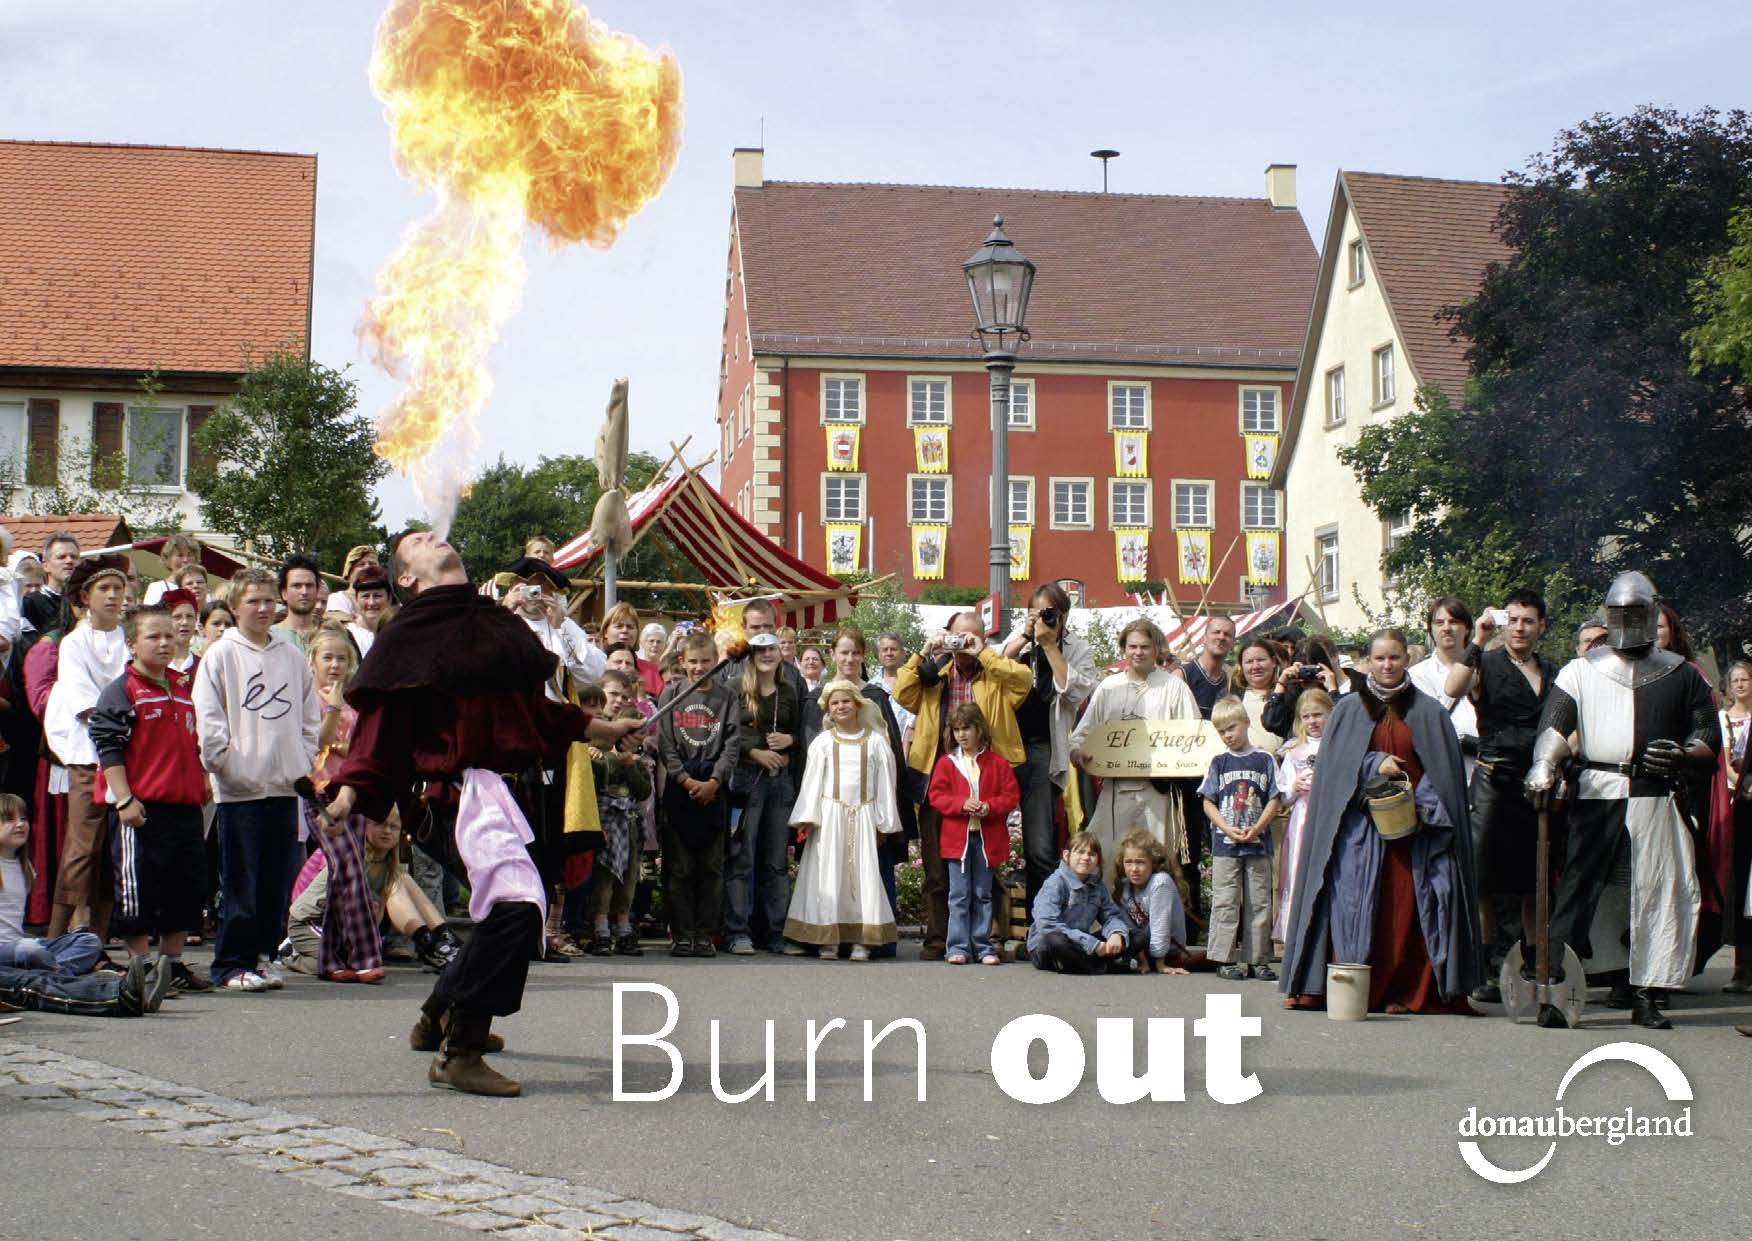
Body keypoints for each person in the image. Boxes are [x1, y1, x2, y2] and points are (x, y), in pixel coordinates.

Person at [322, 530, 643, 1096]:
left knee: (509, 913)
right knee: (518, 908)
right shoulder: (408, 634)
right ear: (406, 577)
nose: (434, 536)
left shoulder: (494, 623)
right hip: (459, 795)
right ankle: (460, 1051)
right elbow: (381, 730)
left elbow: (536, 713)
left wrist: (604, 728)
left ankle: (437, 1014)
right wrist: (350, 793)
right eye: (418, 540)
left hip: (518, 795)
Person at [1525, 572, 1719, 1030]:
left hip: (1657, 796)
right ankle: (1558, 991)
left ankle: (1647, 994)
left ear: (1653, 612)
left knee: (1656, 894)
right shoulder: (1581, 670)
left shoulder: (1681, 674)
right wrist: (1544, 763)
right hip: (1599, 794)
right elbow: (1554, 726)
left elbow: (1707, 735)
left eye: (1637, 612)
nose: (1629, 621)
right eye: (1620, 613)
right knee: (1579, 893)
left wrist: (1685, 754)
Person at [1282, 628, 1481, 1015]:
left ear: (1406, 659)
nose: (1387, 665)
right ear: (1368, 662)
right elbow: (1334, 772)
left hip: (1417, 831)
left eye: (1394, 657)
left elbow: (1445, 776)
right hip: (1360, 830)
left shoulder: (1429, 712)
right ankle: (1353, 988)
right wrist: (1374, 764)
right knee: (1354, 904)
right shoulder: (1348, 711)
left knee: (1414, 908)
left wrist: (1421, 803)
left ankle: (1412, 992)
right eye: (1379, 658)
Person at [194, 568, 321, 991]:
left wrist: (301, 759)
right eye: (254, 601)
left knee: (275, 881)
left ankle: (264, 955)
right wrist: (226, 765)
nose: (264, 608)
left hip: (284, 785)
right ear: (235, 606)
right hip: (240, 789)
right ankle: (232, 963)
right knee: (241, 880)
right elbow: (210, 716)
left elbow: (309, 715)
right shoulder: (221, 655)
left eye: (269, 600)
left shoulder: (291, 657)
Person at [894, 611, 1031, 961]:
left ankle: (990, 939)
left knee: (987, 864)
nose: (963, 644)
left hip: (984, 779)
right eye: (958, 636)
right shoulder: (934, 674)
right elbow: (901, 691)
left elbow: (1024, 681)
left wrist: (983, 653)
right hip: (939, 776)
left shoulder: (995, 673)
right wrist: (924, 651)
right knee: (936, 868)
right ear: (947, 635)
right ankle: (939, 939)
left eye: (971, 636)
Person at [89, 603, 206, 1009]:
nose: (163, 643)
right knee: (137, 889)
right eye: (153, 636)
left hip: (185, 806)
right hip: (140, 808)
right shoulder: (122, 690)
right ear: (132, 644)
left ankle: (171, 964)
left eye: (169, 635)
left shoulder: (182, 687)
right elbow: (107, 745)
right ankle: (139, 966)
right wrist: (124, 799)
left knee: (187, 886)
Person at [1443, 590, 1558, 1003]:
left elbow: (1566, 724)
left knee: (1533, 883)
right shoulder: (1485, 663)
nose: (1520, 628)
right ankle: (1484, 968)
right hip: (1492, 784)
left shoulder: (1552, 670)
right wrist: (1478, 637)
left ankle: (1533, 965)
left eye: (1529, 621)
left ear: (1541, 626)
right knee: (1483, 882)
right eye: (1514, 620)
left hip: (1536, 786)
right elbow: (1452, 687)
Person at [42, 554, 132, 941]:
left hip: (126, 754)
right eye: (104, 589)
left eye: (118, 588)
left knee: (113, 851)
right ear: (86, 596)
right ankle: (56, 937)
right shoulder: (74, 643)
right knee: (82, 847)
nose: (113, 596)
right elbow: (84, 704)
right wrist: (121, 723)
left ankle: (97, 940)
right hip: (88, 756)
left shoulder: (128, 638)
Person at [1068, 618, 1199, 883]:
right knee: (1106, 860)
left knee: (1157, 862)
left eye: (1145, 647)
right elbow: (1080, 736)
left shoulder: (1174, 687)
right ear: (1124, 649)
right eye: (1133, 646)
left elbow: (1193, 738)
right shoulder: (1109, 687)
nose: (1138, 652)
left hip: (1157, 792)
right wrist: (1078, 754)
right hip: (1116, 789)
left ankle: (1156, 911)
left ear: (1156, 649)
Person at [785, 680, 904, 960]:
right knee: (827, 876)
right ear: (828, 709)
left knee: (862, 877)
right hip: (830, 818)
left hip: (863, 817)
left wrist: (884, 822)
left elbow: (885, 785)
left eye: (846, 701)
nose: (841, 707)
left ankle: (863, 939)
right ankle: (828, 938)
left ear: (857, 704)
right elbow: (812, 782)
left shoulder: (876, 743)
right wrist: (808, 816)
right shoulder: (823, 743)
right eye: (835, 703)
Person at [1000, 582, 1098, 908]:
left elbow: (1075, 692)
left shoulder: (1078, 648)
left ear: (1064, 615)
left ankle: (1041, 921)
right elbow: (991, 668)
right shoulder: (1019, 640)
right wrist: (1025, 637)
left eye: (1049, 613)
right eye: (1037, 612)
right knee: (988, 840)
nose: (1043, 618)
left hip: (1044, 749)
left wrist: (1051, 646)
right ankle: (994, 922)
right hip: (1005, 748)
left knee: (1040, 847)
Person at [823, 626, 916, 957]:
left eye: (855, 653)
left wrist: (886, 809)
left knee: (875, 866)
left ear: (863, 656)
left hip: (868, 802)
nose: (849, 658)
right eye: (843, 652)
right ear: (833, 654)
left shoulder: (875, 696)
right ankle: (834, 936)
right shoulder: (820, 696)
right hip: (833, 802)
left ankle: (877, 937)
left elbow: (890, 757)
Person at [303, 621, 383, 983]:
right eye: (327, 658)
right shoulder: (308, 699)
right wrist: (333, 710)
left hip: (353, 791)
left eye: (341, 658)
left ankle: (332, 960)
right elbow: (316, 744)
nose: (335, 665)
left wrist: (345, 745)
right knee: (349, 866)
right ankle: (365, 955)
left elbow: (364, 749)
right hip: (319, 791)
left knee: (342, 873)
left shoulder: (357, 703)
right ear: (313, 661)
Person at [286, 810, 460, 975]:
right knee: (336, 964)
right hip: (310, 920)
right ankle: (290, 954)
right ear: (364, 826)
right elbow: (338, 906)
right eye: (379, 824)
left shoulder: (390, 862)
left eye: (394, 827)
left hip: (348, 922)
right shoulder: (351, 855)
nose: (387, 831)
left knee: (400, 878)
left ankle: (440, 937)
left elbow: (375, 916)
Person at [657, 629, 741, 959]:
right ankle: (681, 934)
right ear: (682, 661)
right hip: (681, 785)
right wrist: (684, 779)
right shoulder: (671, 694)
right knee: (679, 867)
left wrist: (715, 781)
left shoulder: (727, 697)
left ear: (716, 661)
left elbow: (732, 743)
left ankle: (705, 934)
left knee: (711, 868)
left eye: (706, 661)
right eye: (693, 661)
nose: (699, 667)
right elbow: (665, 743)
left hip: (713, 786)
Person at [927, 702, 1021, 966]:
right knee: (958, 895)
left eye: (966, 728)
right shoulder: (947, 763)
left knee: (983, 893)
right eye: (957, 729)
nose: (961, 735)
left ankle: (982, 946)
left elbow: (1011, 795)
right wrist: (961, 804)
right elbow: (937, 796)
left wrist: (990, 807)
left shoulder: (998, 763)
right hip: (958, 841)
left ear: (979, 729)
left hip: (986, 839)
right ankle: (957, 946)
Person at [725, 631, 801, 954]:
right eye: (760, 650)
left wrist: (790, 742)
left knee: (776, 861)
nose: (767, 655)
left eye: (772, 649)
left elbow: (800, 732)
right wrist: (755, 752)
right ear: (751, 656)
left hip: (779, 782)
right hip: (745, 779)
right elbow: (727, 732)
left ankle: (777, 932)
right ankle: (737, 932)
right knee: (741, 858)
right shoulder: (734, 687)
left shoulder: (789, 689)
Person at [1200, 696, 1283, 982]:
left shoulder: (1264, 759)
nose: (1228, 735)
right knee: (1225, 900)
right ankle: (1224, 958)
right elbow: (1208, 801)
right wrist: (1225, 827)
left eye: (1232, 728)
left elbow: (1275, 798)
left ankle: (1258, 958)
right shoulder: (1219, 762)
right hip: (1226, 845)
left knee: (1259, 901)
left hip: (1257, 843)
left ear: (1246, 723)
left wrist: (1258, 828)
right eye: (1221, 731)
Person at [0, 794, 101, 975]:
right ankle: (58, 976)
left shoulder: (25, 867)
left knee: (90, 941)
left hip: (19, 945)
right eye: (10, 819)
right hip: (11, 950)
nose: (20, 824)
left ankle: (51, 975)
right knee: (31, 950)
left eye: (24, 818)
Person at [1027, 831, 1144, 974]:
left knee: (1137, 936)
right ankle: (1101, 966)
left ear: (1098, 860)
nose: (1086, 858)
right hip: (1049, 947)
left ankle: (1083, 965)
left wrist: (1116, 933)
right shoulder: (1055, 883)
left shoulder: (1097, 885)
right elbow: (1047, 924)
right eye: (1080, 852)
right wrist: (1090, 943)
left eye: (1092, 854)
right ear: (1067, 855)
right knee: (1055, 940)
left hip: (1082, 946)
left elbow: (1111, 915)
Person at [587, 704, 652, 956]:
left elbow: (643, 791)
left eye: (641, 734)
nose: (637, 740)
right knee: (604, 876)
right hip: (608, 821)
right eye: (632, 734)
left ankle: (623, 927)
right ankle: (601, 928)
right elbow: (594, 791)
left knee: (629, 877)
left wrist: (632, 766)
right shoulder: (602, 758)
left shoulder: (638, 762)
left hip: (630, 824)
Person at [1273, 688, 1330, 945]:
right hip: (1303, 818)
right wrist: (1294, 787)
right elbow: (1283, 794)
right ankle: (1295, 930)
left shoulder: (1337, 744)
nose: (1312, 721)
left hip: (1328, 815)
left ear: (1330, 713)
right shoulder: (1294, 750)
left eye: (1318, 715)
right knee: (1297, 868)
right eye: (1306, 716)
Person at [499, 558, 605, 695]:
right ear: (512, 589)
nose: (534, 593)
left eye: (542, 587)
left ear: (553, 591)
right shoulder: (498, 621)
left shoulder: (564, 625)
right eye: (527, 587)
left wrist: (561, 628)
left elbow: (592, 675)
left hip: (554, 705)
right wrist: (503, 614)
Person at [1408, 597, 1480, 770]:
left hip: (1492, 770)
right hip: (1449, 768)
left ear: (1467, 628)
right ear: (1431, 630)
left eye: (1453, 622)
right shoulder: (1418, 674)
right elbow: (1434, 724)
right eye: (1439, 623)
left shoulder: (1486, 667)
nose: (1446, 628)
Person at [1718, 659, 1752, 993]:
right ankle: (1741, 967)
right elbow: (1725, 761)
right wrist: (1742, 784)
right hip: (1736, 802)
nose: (1740, 685)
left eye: (1746, 679)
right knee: (1740, 884)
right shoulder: (1724, 719)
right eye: (1735, 680)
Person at [1114, 829, 1188, 974]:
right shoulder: (1125, 887)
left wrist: (1160, 964)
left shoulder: (1160, 883)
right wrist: (1143, 961)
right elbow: (1131, 929)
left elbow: (1161, 926)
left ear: (1153, 863)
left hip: (1168, 953)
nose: (1134, 869)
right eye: (1128, 862)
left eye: (1140, 862)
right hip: (1143, 951)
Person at [1230, 635, 1286, 755]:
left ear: (1273, 662)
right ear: (1241, 666)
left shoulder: (1287, 694)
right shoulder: (1233, 698)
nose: (1255, 666)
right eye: (1249, 662)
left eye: (1261, 660)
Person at [1177, 613, 1236, 718]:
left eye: (1227, 634)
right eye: (1216, 632)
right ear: (1204, 638)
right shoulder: (1182, 676)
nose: (1221, 637)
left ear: (1232, 643)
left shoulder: (1232, 681)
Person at [602, 601, 664, 697]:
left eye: (630, 627)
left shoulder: (651, 671)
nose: (625, 630)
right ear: (605, 632)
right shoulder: (593, 666)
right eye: (619, 626)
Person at [23, 531, 80, 634]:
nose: (69, 561)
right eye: (61, 557)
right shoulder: (31, 603)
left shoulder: (86, 601)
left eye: (74, 557)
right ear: (46, 566)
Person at [271, 554, 324, 654]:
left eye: (309, 586)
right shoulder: (268, 637)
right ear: (284, 593)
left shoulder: (330, 635)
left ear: (317, 591)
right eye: (297, 586)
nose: (304, 592)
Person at [346, 565, 393, 658]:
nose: (371, 602)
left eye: (377, 596)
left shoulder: (396, 634)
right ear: (356, 599)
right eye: (365, 596)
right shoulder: (346, 637)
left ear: (389, 599)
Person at [323, 545, 380, 619]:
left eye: (372, 564)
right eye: (361, 564)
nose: (367, 567)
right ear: (349, 572)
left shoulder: (386, 601)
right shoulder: (337, 599)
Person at [143, 535, 202, 606]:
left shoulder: (201, 588)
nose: (185, 560)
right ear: (168, 559)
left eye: (190, 555)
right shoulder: (158, 587)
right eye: (180, 555)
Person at [162, 588, 201, 674]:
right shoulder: (154, 666)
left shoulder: (203, 666)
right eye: (177, 617)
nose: (185, 622)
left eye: (189, 616)